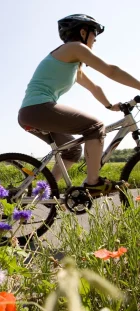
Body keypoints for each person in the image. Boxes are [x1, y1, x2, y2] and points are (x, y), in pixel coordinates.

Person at [18, 14, 140, 195]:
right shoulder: (74, 48)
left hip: (33, 112)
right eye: (93, 35)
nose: (95, 40)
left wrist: (109, 106)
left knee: (73, 151)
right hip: (38, 109)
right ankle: (93, 183)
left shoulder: (73, 64)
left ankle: (44, 194)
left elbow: (94, 87)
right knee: (95, 126)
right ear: (82, 32)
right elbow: (111, 70)